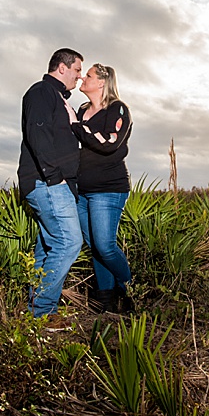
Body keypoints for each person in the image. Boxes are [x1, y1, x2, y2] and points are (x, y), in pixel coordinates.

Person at [18, 48, 84, 322]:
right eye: (78, 70)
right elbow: (38, 133)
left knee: (48, 246)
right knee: (69, 242)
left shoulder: (59, 98)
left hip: (54, 183)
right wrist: (54, 177)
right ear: (62, 67)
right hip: (46, 182)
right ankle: (41, 313)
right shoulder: (42, 91)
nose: (80, 77)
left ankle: (39, 311)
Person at [65, 63, 135, 314]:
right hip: (81, 190)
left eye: (90, 75)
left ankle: (130, 292)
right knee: (94, 245)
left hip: (108, 189)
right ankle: (105, 300)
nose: (84, 78)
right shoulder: (82, 109)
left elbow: (108, 143)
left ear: (102, 82)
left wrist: (76, 125)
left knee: (105, 245)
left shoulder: (118, 109)